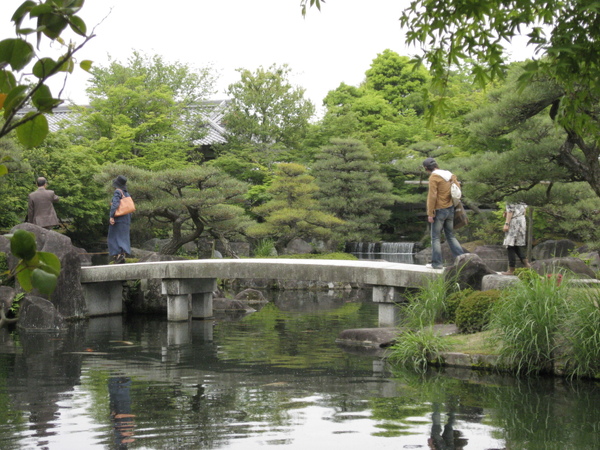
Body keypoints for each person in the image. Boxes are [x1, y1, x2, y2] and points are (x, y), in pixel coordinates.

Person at [423, 157, 465, 269]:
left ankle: (437, 264)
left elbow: (432, 196)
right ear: (437, 165)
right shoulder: (450, 174)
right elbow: (457, 188)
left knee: (435, 237)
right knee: (450, 236)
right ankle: (463, 259)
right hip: (450, 208)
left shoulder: (434, 177)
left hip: (439, 210)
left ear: (427, 168)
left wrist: (430, 213)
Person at [108, 175, 132, 264]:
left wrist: (112, 216)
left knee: (114, 236)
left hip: (119, 217)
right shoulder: (126, 193)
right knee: (123, 236)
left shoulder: (118, 191)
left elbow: (115, 204)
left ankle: (118, 255)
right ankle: (122, 255)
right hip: (126, 218)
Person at [501, 202, 531, 275]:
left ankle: (511, 269)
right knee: (517, 244)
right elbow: (524, 211)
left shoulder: (510, 199)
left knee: (509, 245)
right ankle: (526, 264)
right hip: (522, 221)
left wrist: (507, 223)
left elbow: (510, 211)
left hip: (514, 222)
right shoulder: (521, 197)